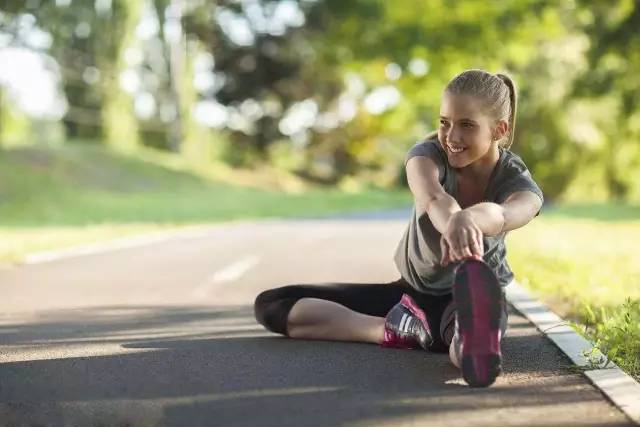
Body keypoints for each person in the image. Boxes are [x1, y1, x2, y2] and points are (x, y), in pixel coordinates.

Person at [253, 69, 544, 388]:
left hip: (469, 300)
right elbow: (433, 197)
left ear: (499, 129)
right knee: (273, 304)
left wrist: (471, 219)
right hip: (408, 299)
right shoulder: (427, 155)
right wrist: (453, 222)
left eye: (467, 125)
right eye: (444, 122)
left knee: (466, 335)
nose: (451, 136)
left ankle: (469, 342)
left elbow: (506, 213)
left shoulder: (515, 179)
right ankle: (391, 329)